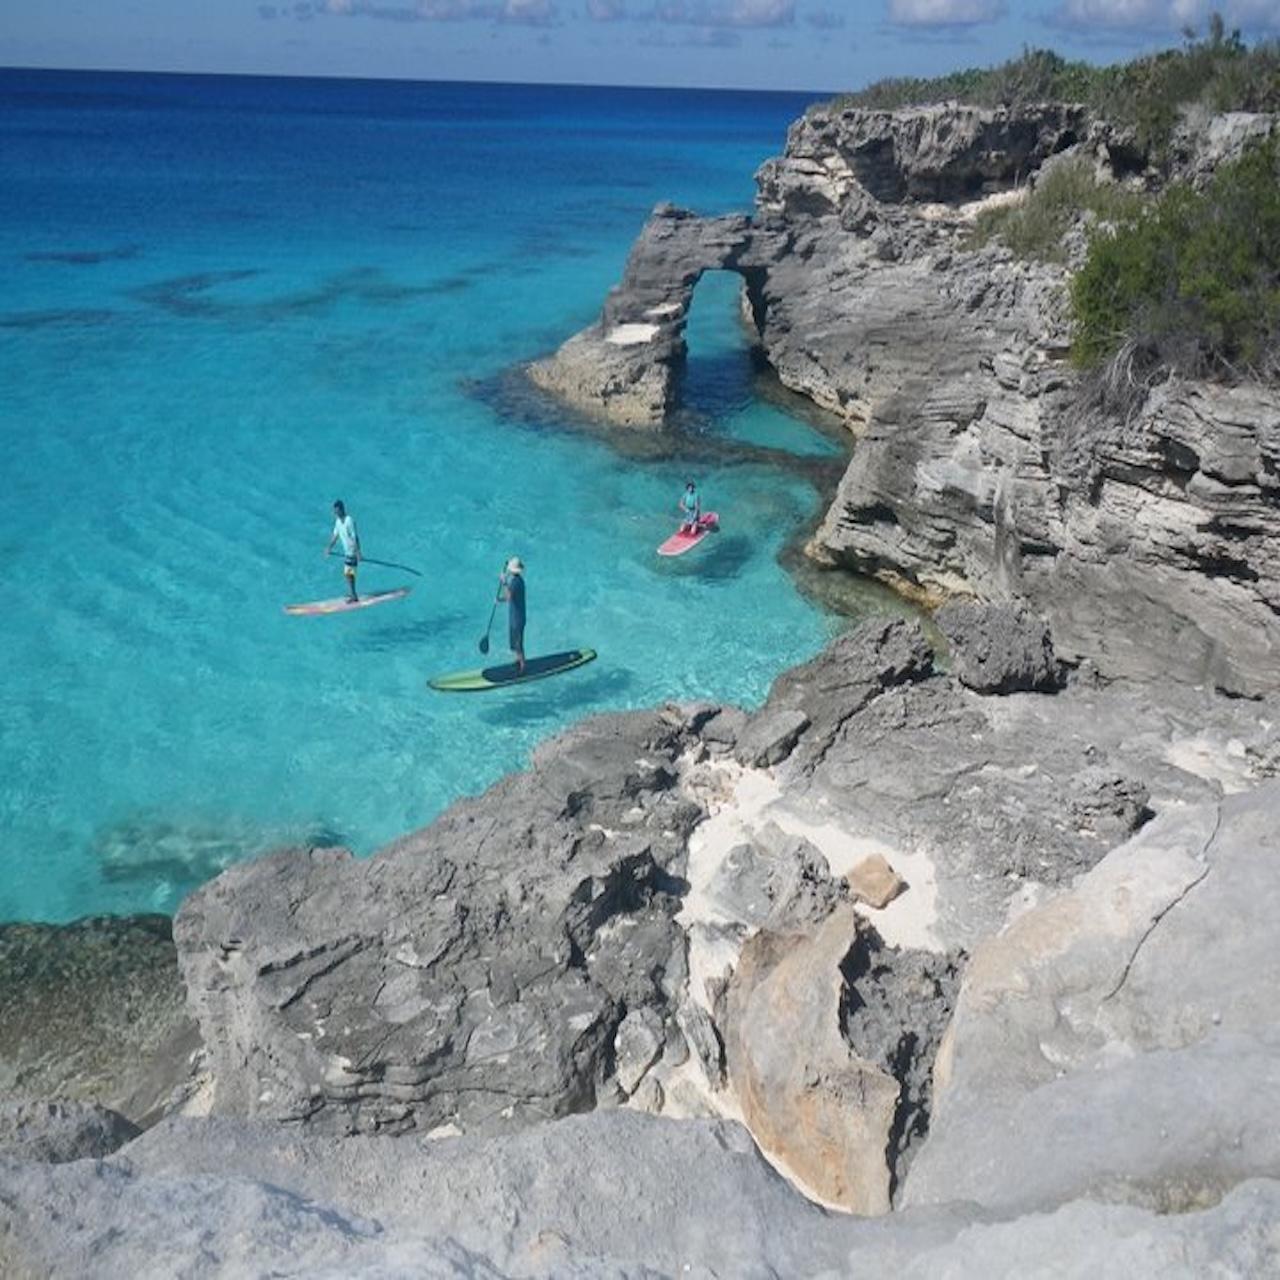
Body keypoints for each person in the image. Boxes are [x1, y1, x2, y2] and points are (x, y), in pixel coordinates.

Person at [325, 499, 361, 602]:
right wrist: (329, 547)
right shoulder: (337, 522)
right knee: (348, 574)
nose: (336, 513)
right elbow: (335, 536)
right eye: (335, 511)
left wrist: (358, 552)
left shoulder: (349, 520)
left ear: (342, 509)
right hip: (347, 553)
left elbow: (355, 537)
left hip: (352, 551)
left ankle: (354, 596)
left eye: (337, 511)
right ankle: (352, 593)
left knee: (349, 573)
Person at [498, 556, 526, 675]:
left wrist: (504, 582)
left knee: (518, 644)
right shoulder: (515, 580)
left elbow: (509, 596)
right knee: (514, 642)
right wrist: (500, 599)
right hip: (514, 617)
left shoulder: (516, 582)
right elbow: (510, 597)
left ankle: (523, 667)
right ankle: (518, 660)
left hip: (517, 618)